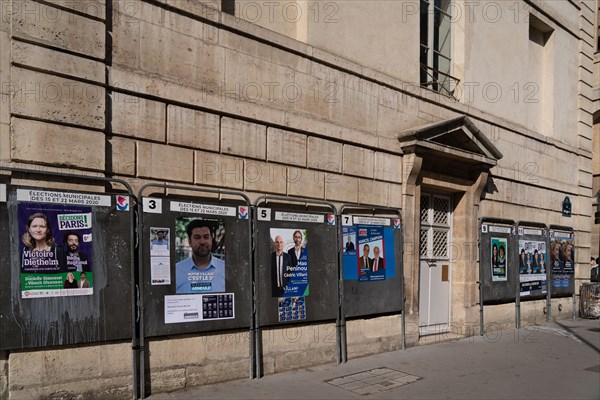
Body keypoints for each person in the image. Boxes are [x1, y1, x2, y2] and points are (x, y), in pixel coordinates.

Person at [175, 220, 225, 294]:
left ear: (211, 240)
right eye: (197, 237)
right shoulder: (176, 271)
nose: (202, 242)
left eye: (206, 237)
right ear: (189, 242)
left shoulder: (225, 269)